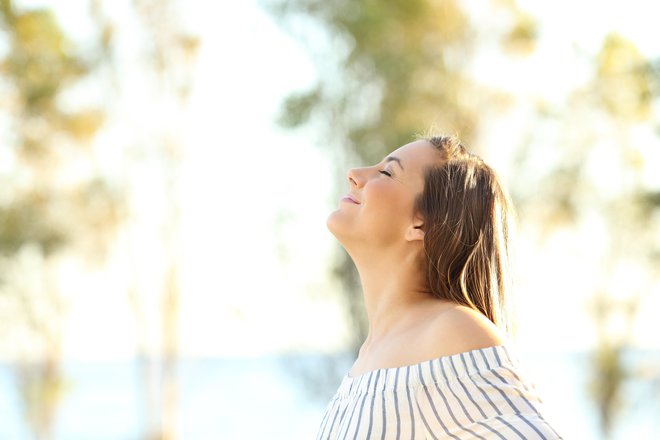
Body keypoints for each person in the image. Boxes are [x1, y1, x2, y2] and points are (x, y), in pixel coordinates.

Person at [317, 136, 562, 439]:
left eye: (386, 173)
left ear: (422, 224)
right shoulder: (370, 355)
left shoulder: (453, 331)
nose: (354, 173)